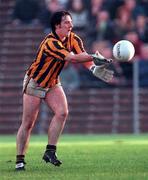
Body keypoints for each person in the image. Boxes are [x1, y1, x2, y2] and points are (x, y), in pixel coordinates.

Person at [15, 10, 114, 171]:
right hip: (35, 82)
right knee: (28, 123)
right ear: (57, 25)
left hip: (53, 81)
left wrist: (93, 68)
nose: (71, 25)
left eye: (71, 22)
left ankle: (50, 151)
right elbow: (72, 58)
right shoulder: (50, 42)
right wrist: (94, 57)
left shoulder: (74, 38)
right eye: (67, 22)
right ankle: (20, 160)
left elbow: (82, 56)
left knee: (62, 112)